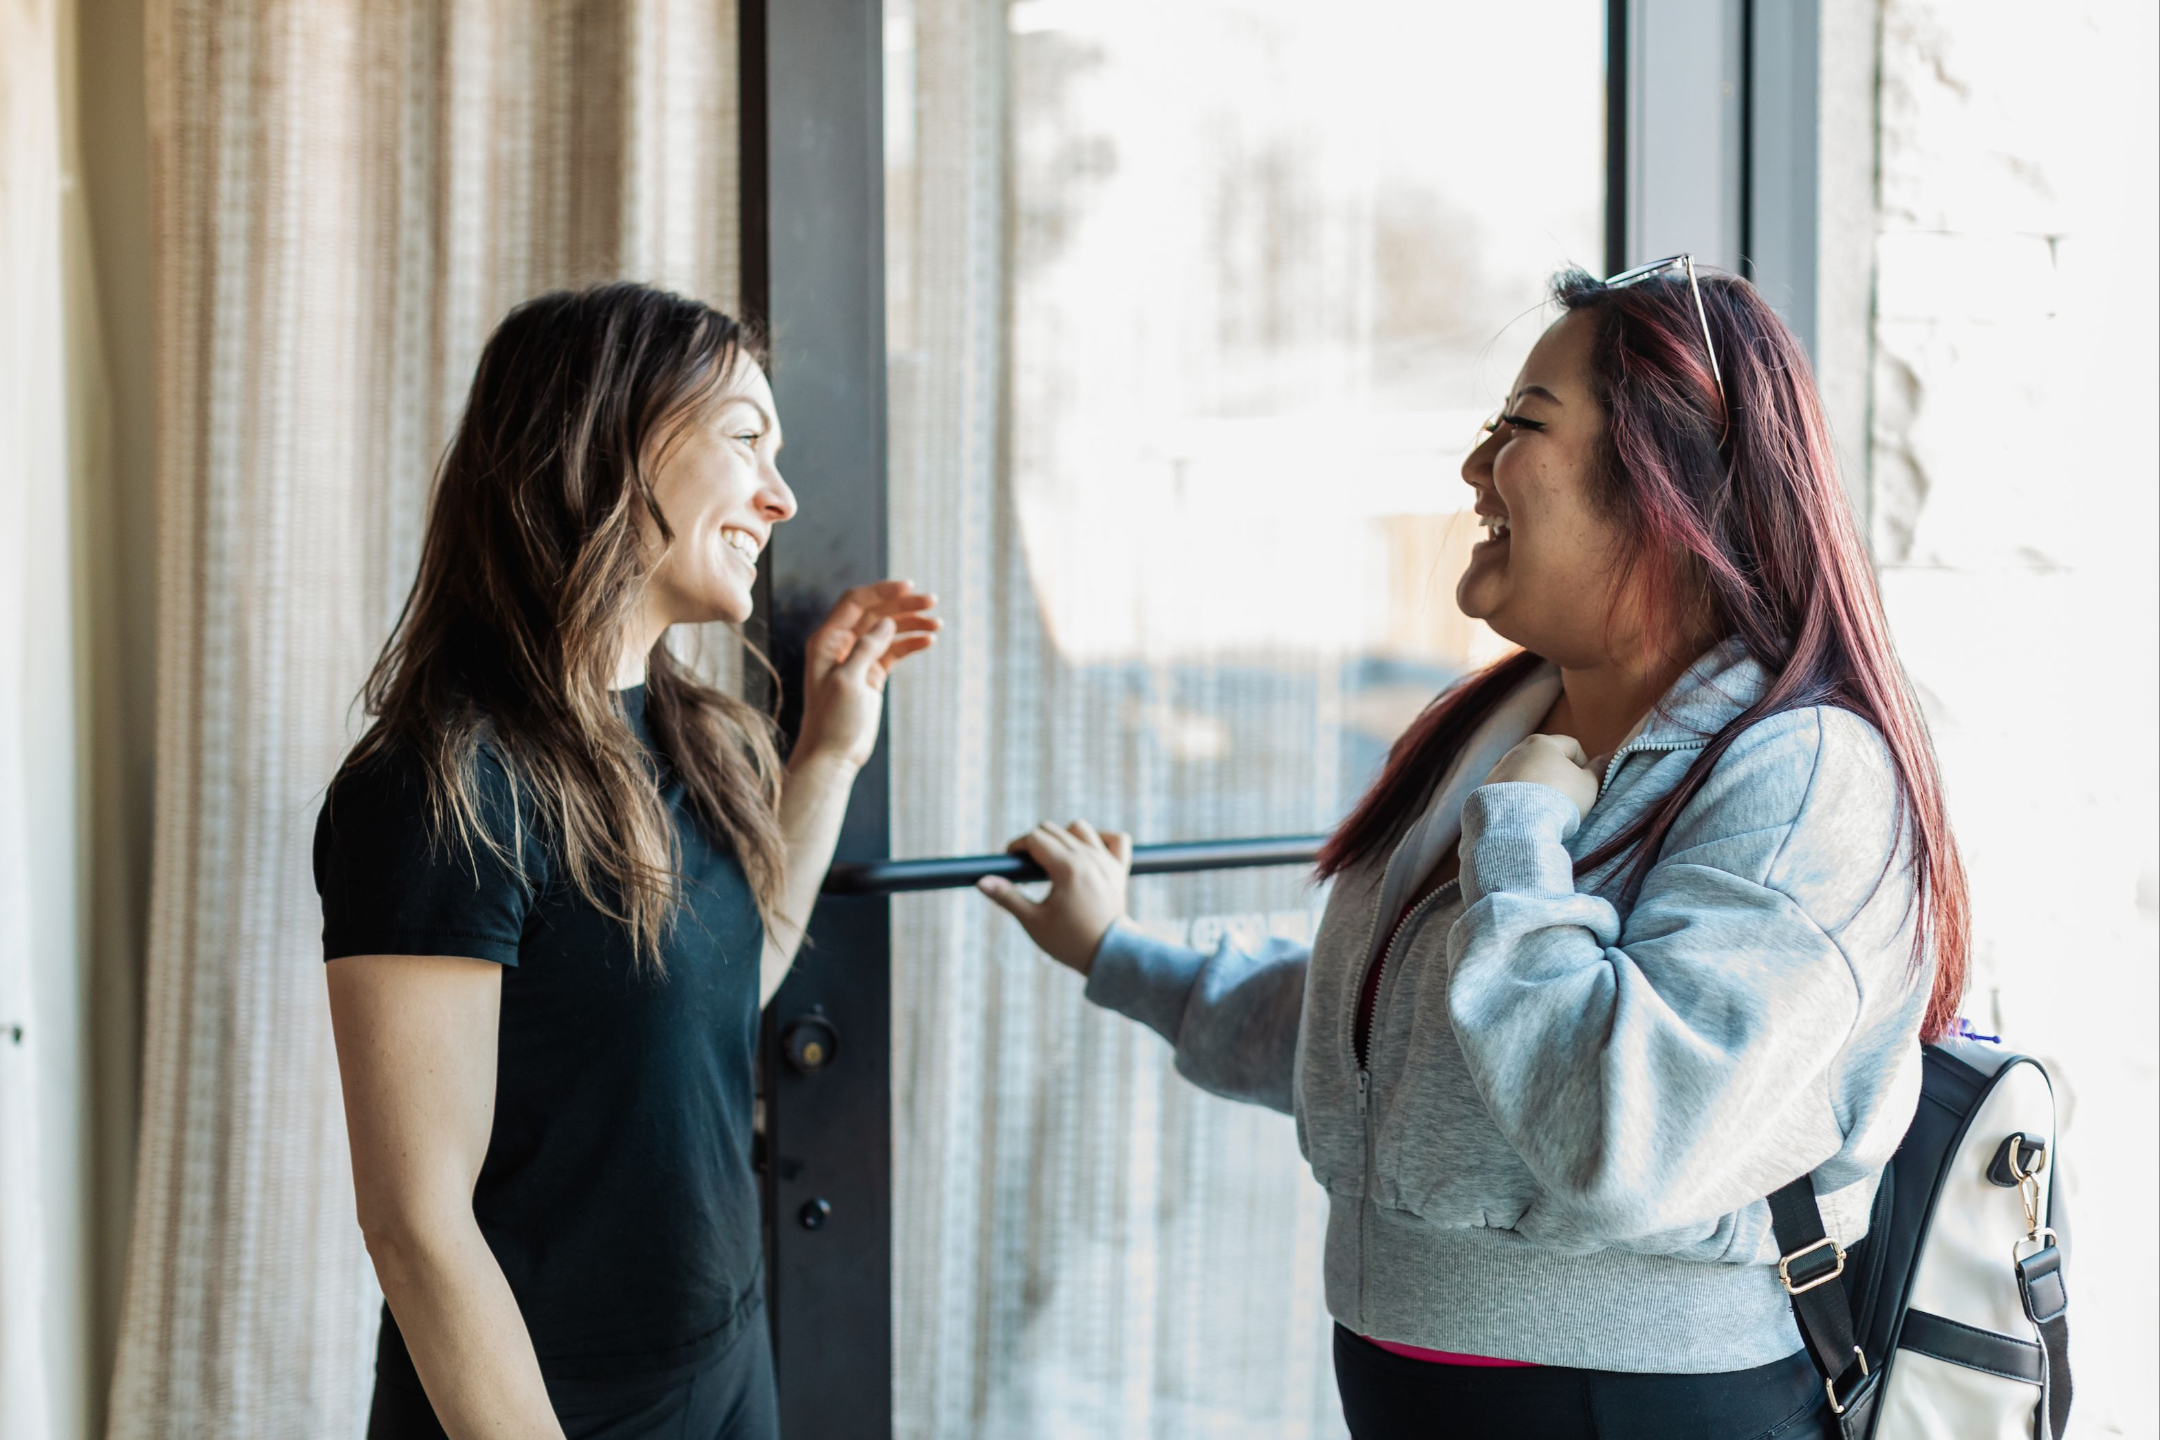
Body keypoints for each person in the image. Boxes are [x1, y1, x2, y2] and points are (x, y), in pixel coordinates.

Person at [978, 261, 1968, 1440]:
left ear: (1672, 481)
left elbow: (1627, 1135)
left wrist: (1526, 839)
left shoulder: (1801, 777)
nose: (1473, 466)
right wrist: (1117, 951)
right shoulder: (1499, 731)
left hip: (1636, 1408)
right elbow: (1388, 1040)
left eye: (1522, 426)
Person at [315, 283, 937, 1440]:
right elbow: (415, 1226)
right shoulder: (442, 790)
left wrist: (831, 754)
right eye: (747, 439)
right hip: (543, 1404)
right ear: (607, 442)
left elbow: (721, 991)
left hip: (731, 1362)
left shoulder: (693, 736)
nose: (782, 496)